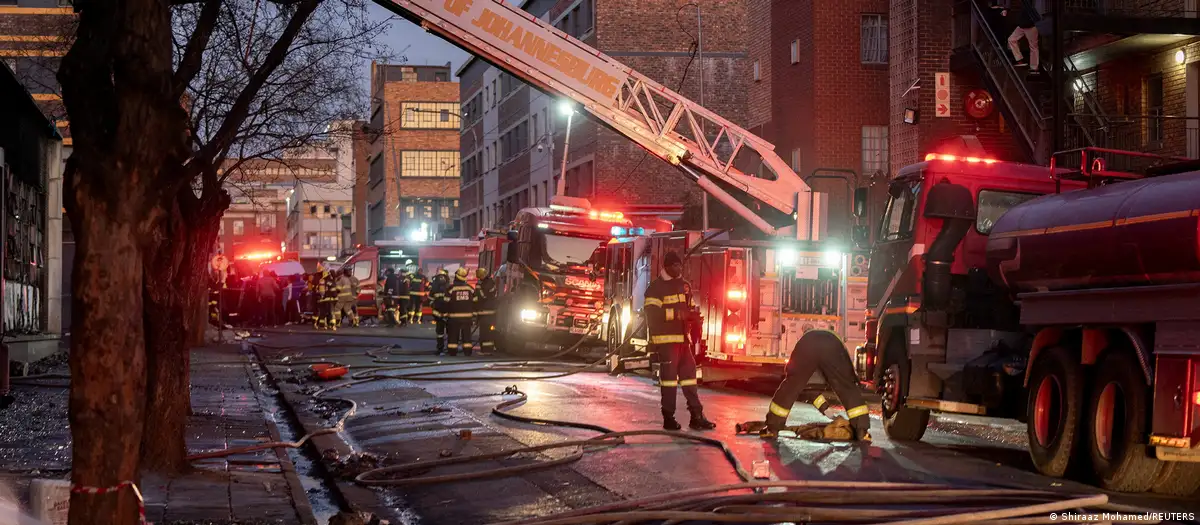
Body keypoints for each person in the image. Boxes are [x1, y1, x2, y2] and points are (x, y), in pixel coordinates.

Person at [644, 251, 715, 431]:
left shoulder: (684, 286)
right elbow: (652, 316)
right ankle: (669, 418)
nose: (678, 269)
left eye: (680, 266)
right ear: (666, 267)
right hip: (666, 342)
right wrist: (677, 315)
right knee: (668, 381)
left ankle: (696, 416)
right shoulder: (655, 288)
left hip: (683, 342)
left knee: (690, 378)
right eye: (675, 266)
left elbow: (688, 307)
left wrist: (693, 318)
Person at [761, 329, 872, 441]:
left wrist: (829, 412)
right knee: (847, 387)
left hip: (807, 344)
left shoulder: (808, 366)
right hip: (832, 343)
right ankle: (862, 432)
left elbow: (811, 392)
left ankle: (772, 429)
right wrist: (829, 412)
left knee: (791, 386)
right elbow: (815, 392)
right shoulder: (828, 363)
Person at [444, 267, 476, 356]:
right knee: (467, 336)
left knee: (453, 336)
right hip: (467, 317)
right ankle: (467, 351)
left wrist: (445, 313)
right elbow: (476, 300)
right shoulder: (470, 288)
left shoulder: (451, 288)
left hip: (454, 317)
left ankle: (452, 352)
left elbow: (445, 302)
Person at [1003, 3, 1039, 71]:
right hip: (1022, 25)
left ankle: (1034, 68)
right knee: (1011, 39)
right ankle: (1019, 60)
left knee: (1033, 47)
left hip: (1031, 26)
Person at [473, 267, 498, 353]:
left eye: (479, 277)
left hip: (485, 312)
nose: (479, 279)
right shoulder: (489, 282)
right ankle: (488, 350)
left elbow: (482, 296)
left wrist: (478, 288)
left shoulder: (486, 284)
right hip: (488, 312)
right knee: (487, 333)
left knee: (485, 333)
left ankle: (486, 350)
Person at [430, 268, 451, 354]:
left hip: (440, 314)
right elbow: (430, 300)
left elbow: (430, 301)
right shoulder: (449, 287)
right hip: (445, 314)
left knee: (441, 333)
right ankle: (448, 349)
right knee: (446, 333)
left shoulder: (434, 287)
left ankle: (441, 349)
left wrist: (434, 306)